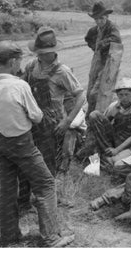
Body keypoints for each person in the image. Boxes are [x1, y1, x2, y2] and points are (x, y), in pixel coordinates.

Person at [0, 40, 74, 247]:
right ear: (13, 61)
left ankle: (8, 236)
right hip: (21, 142)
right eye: (19, 61)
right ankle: (51, 236)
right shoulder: (19, 85)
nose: (20, 65)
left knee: (7, 189)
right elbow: (37, 116)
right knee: (46, 183)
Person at [22, 26, 84, 177]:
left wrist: (67, 121)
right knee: (30, 157)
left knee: (48, 160)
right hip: (31, 118)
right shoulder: (32, 65)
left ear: (52, 51)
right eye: (38, 52)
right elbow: (21, 85)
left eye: (42, 52)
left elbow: (81, 96)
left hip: (51, 123)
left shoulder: (62, 71)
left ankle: (49, 190)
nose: (39, 55)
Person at [75, 77, 131, 169]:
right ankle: (100, 153)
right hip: (113, 139)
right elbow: (101, 125)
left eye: (127, 94)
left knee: (115, 163)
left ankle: (101, 156)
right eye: (121, 95)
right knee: (94, 115)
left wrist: (117, 150)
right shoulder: (114, 106)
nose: (124, 98)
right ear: (117, 95)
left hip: (128, 143)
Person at [84, 1, 122, 116]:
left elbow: (116, 40)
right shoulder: (94, 30)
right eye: (96, 19)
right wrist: (94, 47)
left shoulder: (112, 27)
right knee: (89, 91)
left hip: (109, 62)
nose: (99, 21)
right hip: (96, 61)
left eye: (102, 18)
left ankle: (99, 116)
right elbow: (88, 39)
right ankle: (90, 116)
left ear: (107, 17)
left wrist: (101, 44)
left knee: (98, 93)